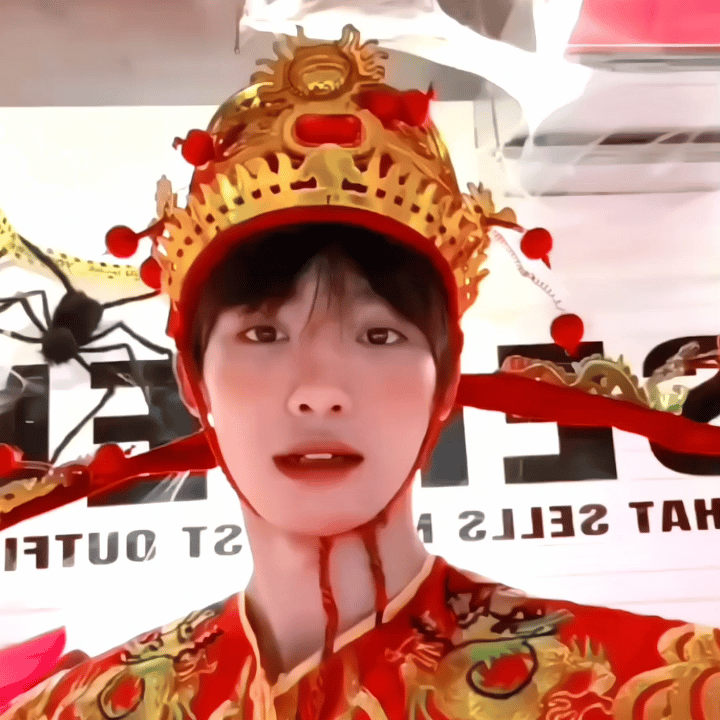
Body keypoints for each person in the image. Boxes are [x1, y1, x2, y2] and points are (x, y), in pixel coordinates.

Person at [4, 24, 720, 720]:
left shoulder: (658, 688)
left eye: (379, 335)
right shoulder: (69, 710)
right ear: (193, 381)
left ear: (445, 381)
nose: (319, 392)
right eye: (263, 333)